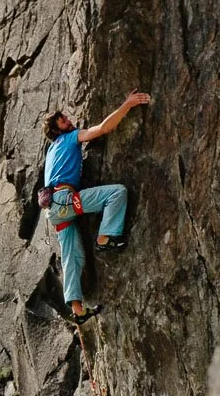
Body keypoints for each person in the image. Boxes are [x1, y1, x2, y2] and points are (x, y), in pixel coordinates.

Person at [42, 91, 152, 321]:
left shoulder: (51, 151)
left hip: (53, 210)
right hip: (65, 201)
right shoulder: (70, 138)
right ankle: (106, 237)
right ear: (57, 128)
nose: (69, 121)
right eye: (63, 120)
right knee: (116, 193)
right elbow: (102, 128)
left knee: (71, 255)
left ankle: (77, 309)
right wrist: (127, 104)